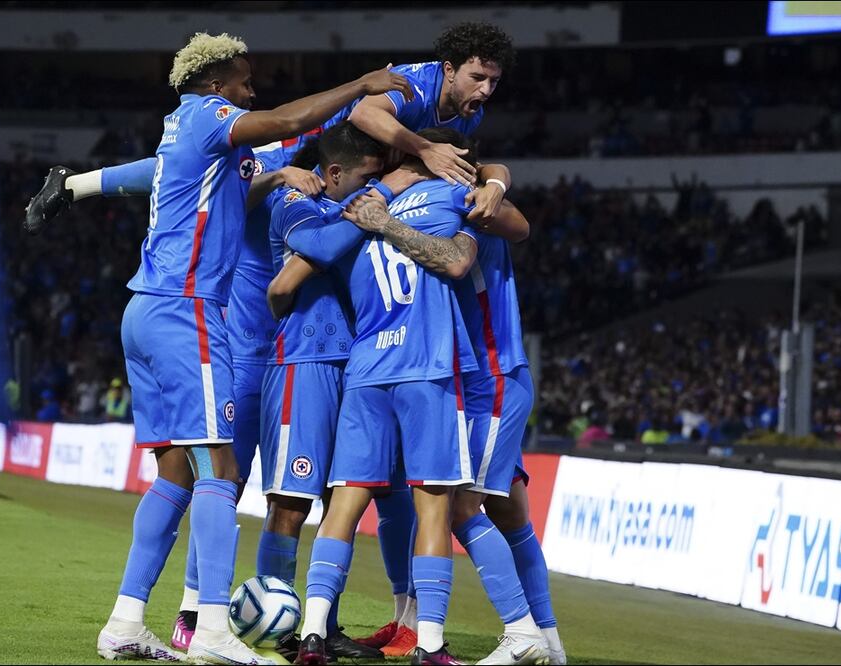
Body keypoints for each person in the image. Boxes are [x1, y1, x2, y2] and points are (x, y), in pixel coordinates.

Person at [36, 31, 411, 664]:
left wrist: (78, 185)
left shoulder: (187, 135)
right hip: (188, 311)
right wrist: (362, 84)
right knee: (222, 473)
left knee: (175, 477)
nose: (251, 92)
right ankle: (210, 627)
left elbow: (157, 174)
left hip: (144, 310)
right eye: (244, 81)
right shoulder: (211, 115)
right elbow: (290, 120)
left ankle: (125, 622)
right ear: (216, 86)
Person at [339, 128, 564, 664]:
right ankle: (549, 640)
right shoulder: (457, 203)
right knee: (510, 516)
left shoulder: (466, 208)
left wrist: (492, 184)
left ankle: (521, 631)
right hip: (472, 378)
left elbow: (511, 228)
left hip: (490, 377)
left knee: (460, 508)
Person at [260, 122, 389, 662]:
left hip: (355, 366)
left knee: (342, 504)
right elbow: (310, 252)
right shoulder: (295, 201)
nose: (372, 188)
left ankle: (322, 626)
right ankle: (274, 626)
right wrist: (371, 208)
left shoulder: (351, 206)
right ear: (334, 173)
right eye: (366, 178)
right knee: (291, 503)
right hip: (304, 362)